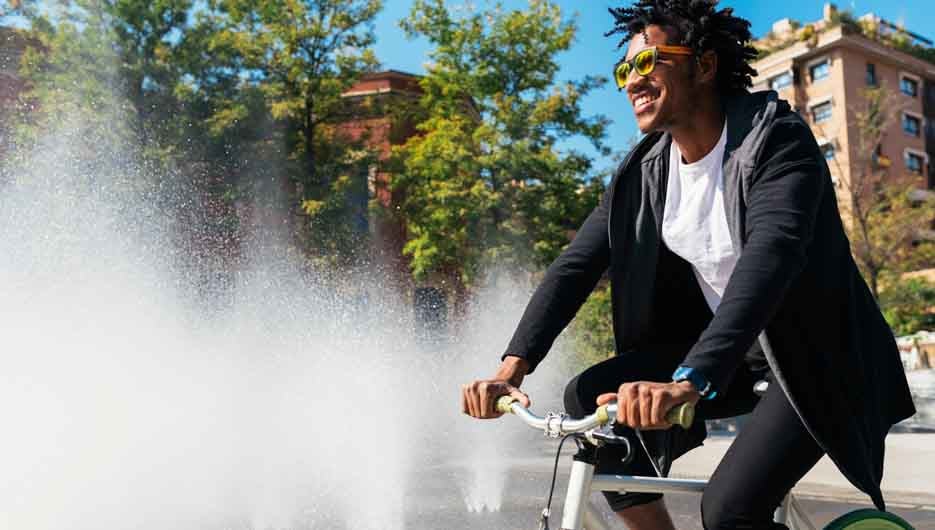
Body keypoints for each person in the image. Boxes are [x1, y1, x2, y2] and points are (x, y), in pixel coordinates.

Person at [460, 1, 916, 528]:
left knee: (729, 511)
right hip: (734, 358)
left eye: (647, 62)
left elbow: (771, 258)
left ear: (704, 65)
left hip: (820, 359)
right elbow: (574, 267)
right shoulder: (643, 172)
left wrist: (691, 379)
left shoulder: (775, 140)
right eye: (624, 70)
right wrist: (510, 369)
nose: (632, 81)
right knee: (587, 401)